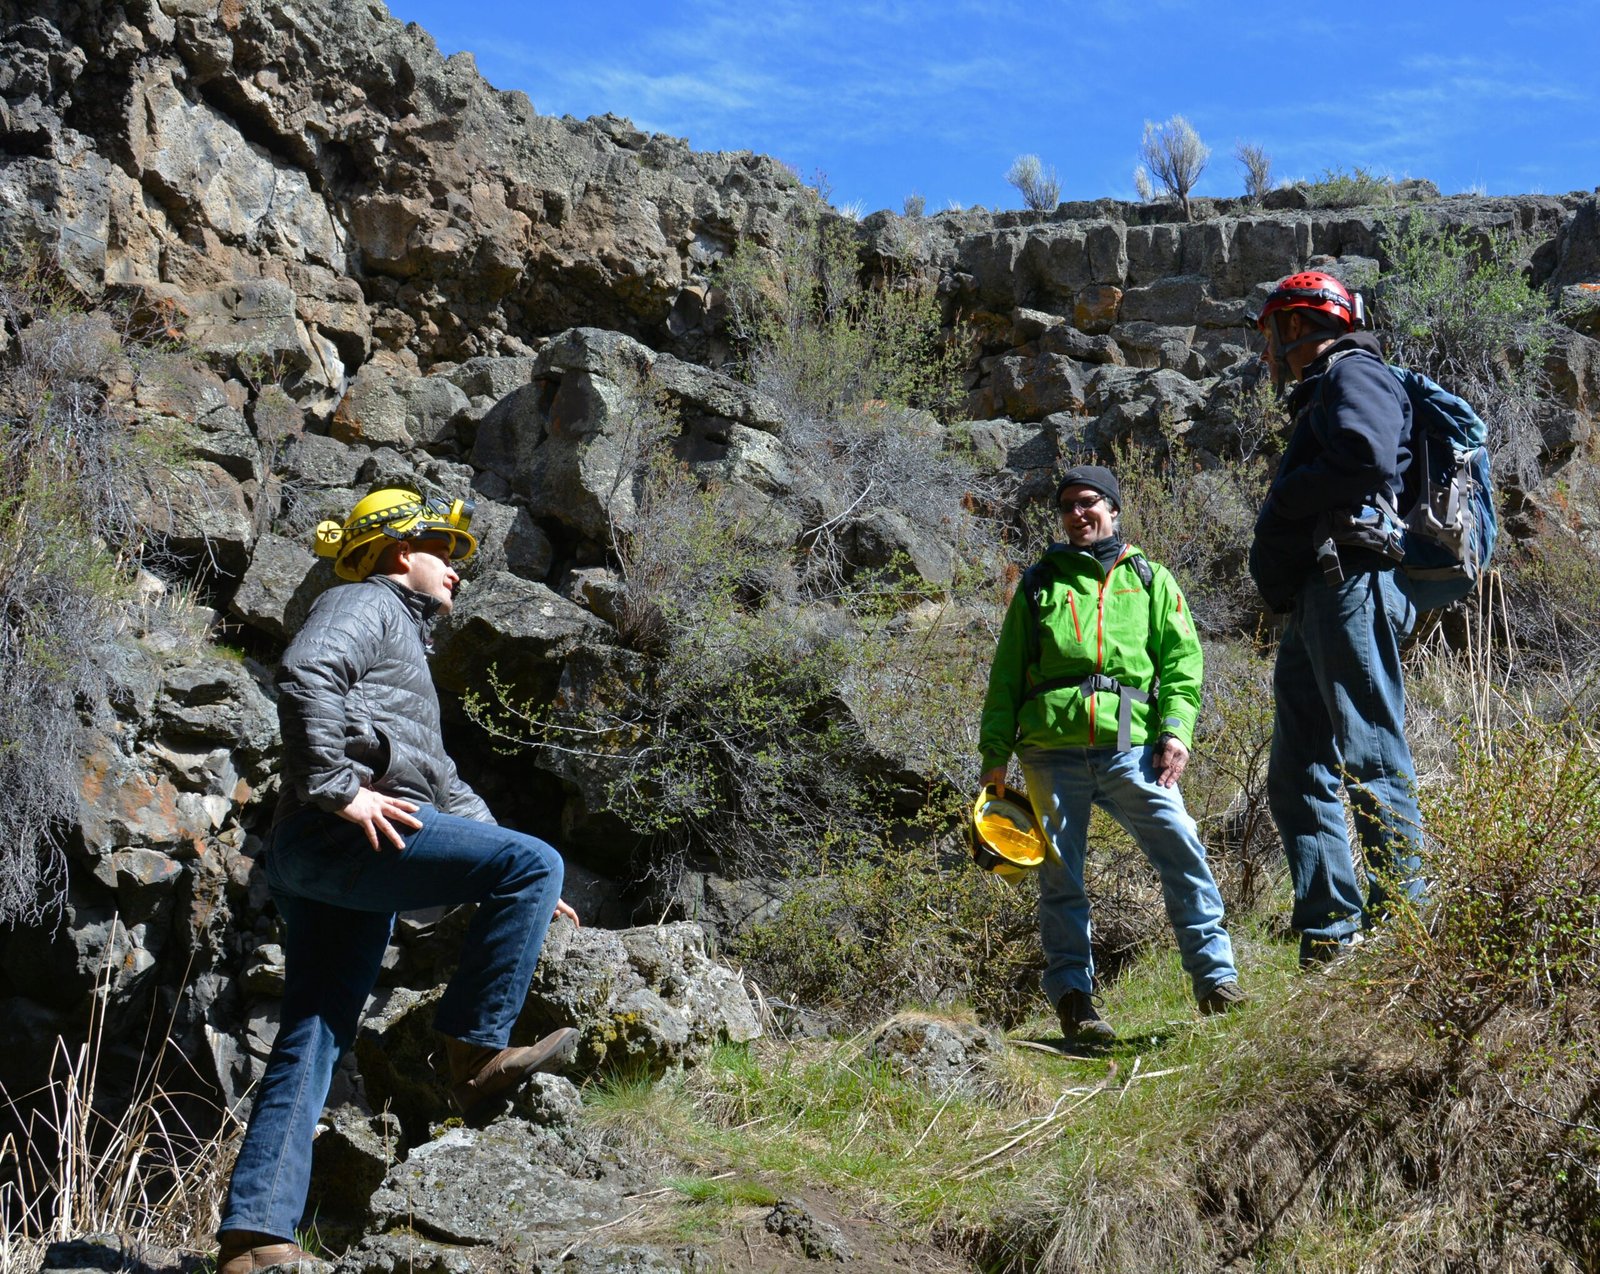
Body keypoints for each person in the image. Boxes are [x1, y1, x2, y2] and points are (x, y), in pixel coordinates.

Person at [216, 488, 579, 1274]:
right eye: (440, 551)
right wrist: (342, 788)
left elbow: (446, 787)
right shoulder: (362, 603)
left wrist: (526, 887)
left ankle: (253, 1238)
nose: (455, 569)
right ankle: (475, 1058)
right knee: (535, 858)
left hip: (329, 858)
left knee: (312, 1035)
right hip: (340, 833)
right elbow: (305, 673)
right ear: (395, 555)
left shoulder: (405, 653)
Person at [979, 465, 1243, 1044]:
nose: (1078, 513)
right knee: (1060, 877)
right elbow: (1005, 676)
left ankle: (1216, 982)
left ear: (1114, 509)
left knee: (1180, 846)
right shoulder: (1040, 582)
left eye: (1089, 502)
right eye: (1068, 505)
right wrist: (994, 757)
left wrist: (1175, 730)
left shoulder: (1150, 579)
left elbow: (1181, 660)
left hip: (1128, 737)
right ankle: (1076, 1003)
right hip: (1050, 747)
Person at [1248, 271, 1427, 967]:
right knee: (1296, 770)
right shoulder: (1324, 389)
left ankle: (1405, 926)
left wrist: (1286, 497)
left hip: (1347, 585)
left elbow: (1366, 455)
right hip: (1316, 600)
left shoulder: (1356, 373)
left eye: (1273, 331)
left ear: (1297, 326)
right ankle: (1329, 930)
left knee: (1371, 754)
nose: (1269, 348)